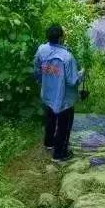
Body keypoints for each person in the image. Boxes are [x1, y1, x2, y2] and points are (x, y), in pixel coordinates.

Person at [33, 24, 84, 162]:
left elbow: (37, 68)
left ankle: (49, 143)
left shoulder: (42, 50)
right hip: (64, 99)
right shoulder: (67, 57)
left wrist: (40, 80)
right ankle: (60, 154)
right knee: (63, 126)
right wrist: (81, 74)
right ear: (61, 38)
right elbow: (73, 81)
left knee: (50, 120)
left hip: (47, 94)